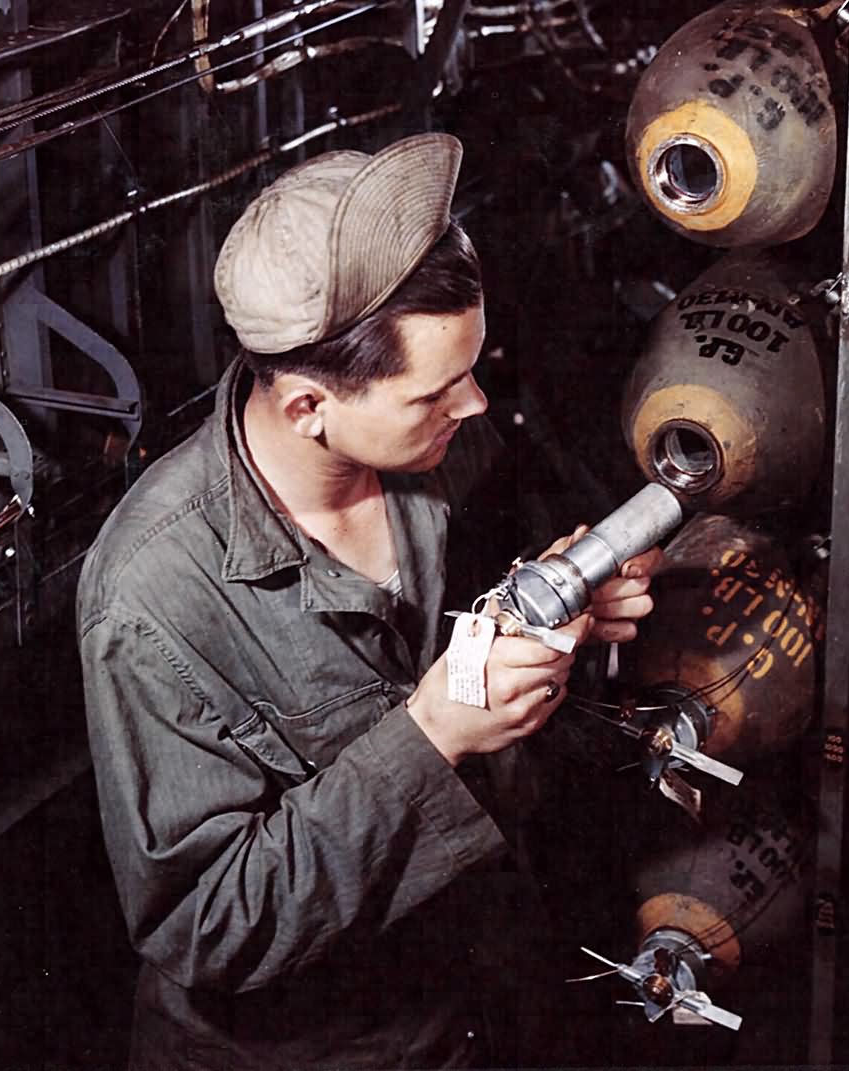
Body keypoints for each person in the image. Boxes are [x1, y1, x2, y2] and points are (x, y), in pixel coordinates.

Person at [78, 132, 659, 1071]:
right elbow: (207, 924)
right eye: (436, 391)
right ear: (310, 406)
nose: (472, 406)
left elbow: (491, 634)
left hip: (477, 1000)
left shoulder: (437, 452)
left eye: (473, 369)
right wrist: (429, 738)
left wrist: (561, 603)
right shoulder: (154, 595)